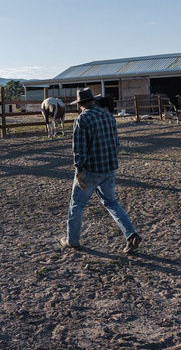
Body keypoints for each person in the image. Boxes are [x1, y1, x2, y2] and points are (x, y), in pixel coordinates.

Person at [60, 88, 142, 254]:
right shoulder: (107, 115)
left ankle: (73, 240)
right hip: (110, 168)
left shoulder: (82, 119)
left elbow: (79, 149)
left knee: (77, 204)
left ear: (80, 104)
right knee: (111, 202)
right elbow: (116, 142)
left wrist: (78, 170)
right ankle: (131, 234)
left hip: (92, 170)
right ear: (93, 100)